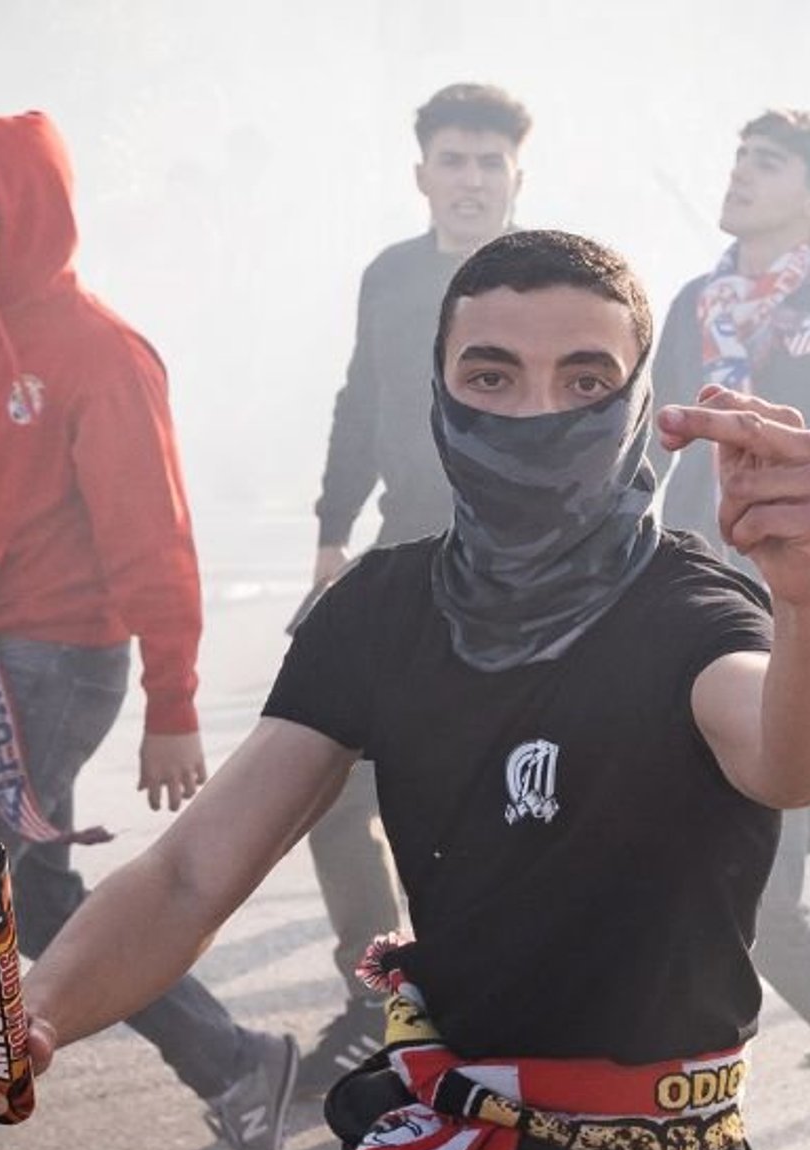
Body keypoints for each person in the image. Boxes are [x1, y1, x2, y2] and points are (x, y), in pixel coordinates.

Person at [0, 229, 810, 1150]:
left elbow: (783, 759)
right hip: (435, 1147)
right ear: (435, 387)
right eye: (491, 375)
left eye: (582, 380)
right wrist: (37, 1012)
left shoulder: (694, 611)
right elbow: (190, 872)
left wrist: (803, 591)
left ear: (637, 403)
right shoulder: (380, 609)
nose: (533, 412)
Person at [0, 109, 293, 1150]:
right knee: (28, 899)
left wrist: (173, 702)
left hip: (47, 662)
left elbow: (157, 535)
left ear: (36, 201)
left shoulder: (98, 348)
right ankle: (235, 1064)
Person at [298, 83, 533, 1092]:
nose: (470, 179)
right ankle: (376, 984)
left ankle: (487, 1014)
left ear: (515, 173)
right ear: (421, 173)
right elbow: (358, 399)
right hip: (403, 551)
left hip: (526, 569)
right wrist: (327, 535)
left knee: (496, 796)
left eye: (488, 161)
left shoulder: (551, 277)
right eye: (453, 160)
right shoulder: (391, 277)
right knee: (326, 780)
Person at [653, 109, 810, 1053]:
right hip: (708, 610)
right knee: (740, 878)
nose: (741, 172)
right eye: (738, 154)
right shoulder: (691, 303)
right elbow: (646, 444)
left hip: (802, 602)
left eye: (770, 160)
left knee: (761, 890)